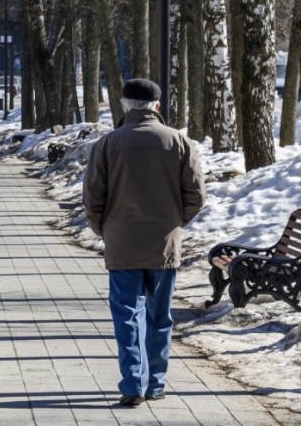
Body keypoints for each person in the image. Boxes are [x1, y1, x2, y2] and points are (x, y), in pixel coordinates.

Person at [83, 78, 206, 408]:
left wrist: (104, 229)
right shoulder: (179, 142)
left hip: (122, 241)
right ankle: (156, 383)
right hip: (163, 244)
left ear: (124, 106)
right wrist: (175, 222)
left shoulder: (108, 143)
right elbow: (196, 195)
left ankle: (132, 383)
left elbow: (93, 196)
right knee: (160, 315)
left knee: (126, 315)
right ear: (157, 106)